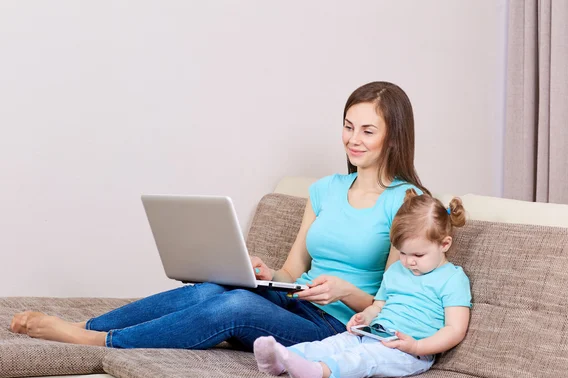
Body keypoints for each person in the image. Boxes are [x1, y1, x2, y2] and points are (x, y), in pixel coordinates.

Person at [10, 81, 429, 350]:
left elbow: (390, 303)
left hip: (338, 327)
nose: (353, 140)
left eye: (367, 131)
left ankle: (99, 340)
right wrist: (266, 271)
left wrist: (343, 290)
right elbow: (292, 268)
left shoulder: (407, 201)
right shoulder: (324, 190)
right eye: (348, 126)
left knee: (236, 306)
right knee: (215, 286)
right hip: (293, 300)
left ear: (394, 134)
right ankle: (86, 323)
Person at [253, 189, 471, 378]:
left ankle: (319, 371)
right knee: (334, 343)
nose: (408, 261)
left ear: (444, 244)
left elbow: (455, 329)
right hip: (374, 333)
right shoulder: (396, 270)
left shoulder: (453, 279)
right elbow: (378, 306)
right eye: (402, 253)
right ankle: (280, 359)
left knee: (364, 359)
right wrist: (365, 317)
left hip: (409, 353)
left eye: (418, 254)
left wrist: (417, 346)